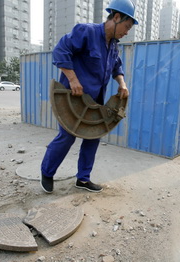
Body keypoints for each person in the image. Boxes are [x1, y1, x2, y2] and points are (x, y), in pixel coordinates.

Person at [40, 0, 138, 194]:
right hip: (72, 98)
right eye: (126, 26)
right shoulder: (87, 31)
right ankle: (47, 173)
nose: (127, 32)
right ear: (116, 17)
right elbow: (61, 50)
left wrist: (122, 83)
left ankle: (83, 179)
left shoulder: (113, 47)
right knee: (67, 137)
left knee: (93, 138)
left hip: (95, 101)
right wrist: (73, 79)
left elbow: (117, 67)